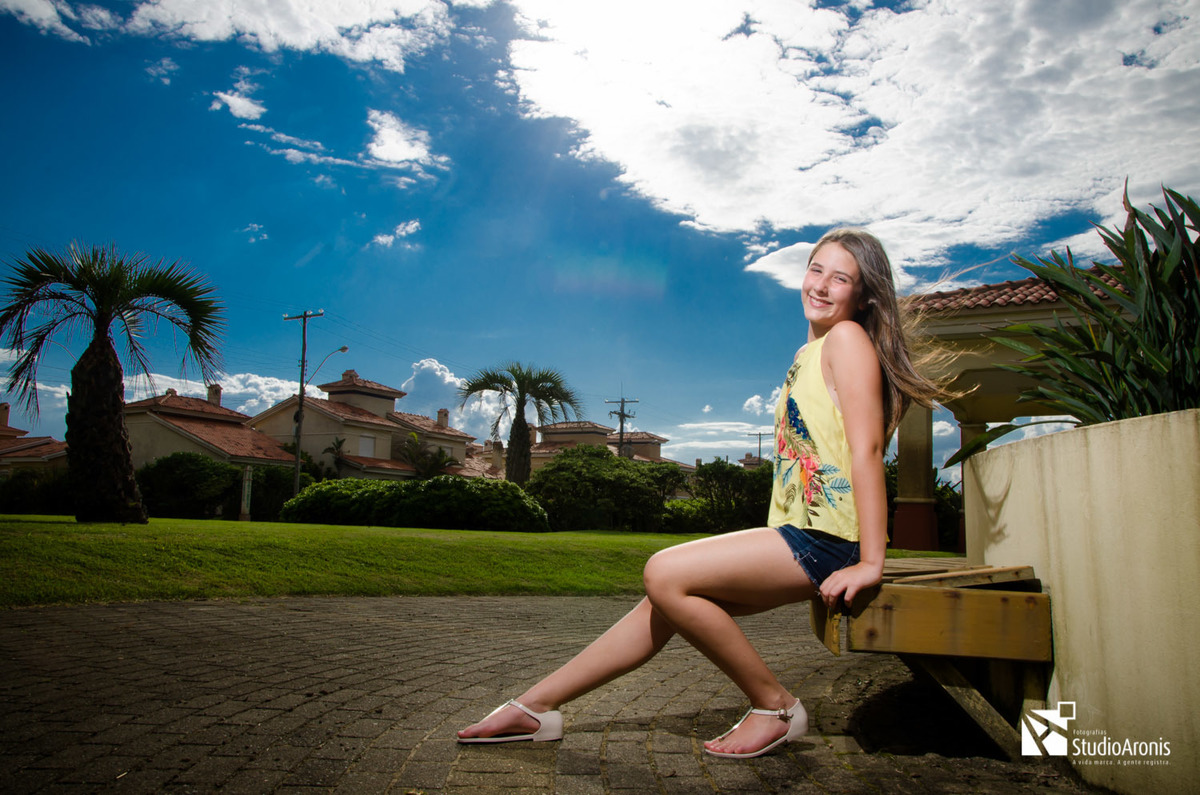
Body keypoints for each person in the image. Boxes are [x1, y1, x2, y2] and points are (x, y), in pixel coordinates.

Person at [457, 228, 953, 758]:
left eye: (841, 278)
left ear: (864, 296)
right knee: (662, 603)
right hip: (802, 532)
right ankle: (536, 708)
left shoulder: (847, 339)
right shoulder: (808, 352)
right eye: (816, 270)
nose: (822, 286)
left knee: (665, 572)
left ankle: (776, 707)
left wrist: (871, 561)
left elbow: (867, 449)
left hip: (827, 538)